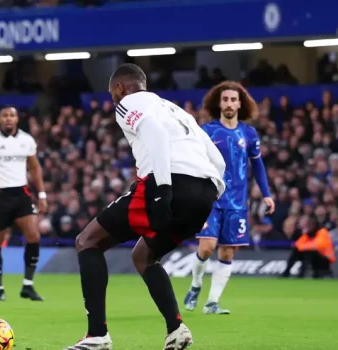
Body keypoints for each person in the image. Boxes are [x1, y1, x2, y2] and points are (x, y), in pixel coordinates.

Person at [65, 64, 226, 350]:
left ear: (119, 88)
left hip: (169, 183)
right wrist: (208, 199)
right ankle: (176, 329)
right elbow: (218, 161)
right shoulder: (176, 110)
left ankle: (97, 336)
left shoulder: (127, 103)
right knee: (144, 256)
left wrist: (163, 189)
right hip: (204, 192)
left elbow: (156, 136)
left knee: (87, 241)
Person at [183, 81, 274, 315]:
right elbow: (193, 161)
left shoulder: (249, 133)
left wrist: (266, 194)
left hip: (237, 203)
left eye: (233, 100)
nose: (229, 103)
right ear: (219, 103)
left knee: (226, 252)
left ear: (240, 104)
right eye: (225, 99)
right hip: (211, 199)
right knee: (207, 247)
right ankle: (195, 285)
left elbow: (258, 165)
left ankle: (212, 302)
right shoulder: (208, 131)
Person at [0, 106, 47, 301]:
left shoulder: (26, 140)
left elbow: (35, 167)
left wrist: (43, 195)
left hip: (21, 193)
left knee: (33, 235)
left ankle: (28, 286)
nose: (8, 119)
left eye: (12, 115)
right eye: (4, 115)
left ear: (17, 119)